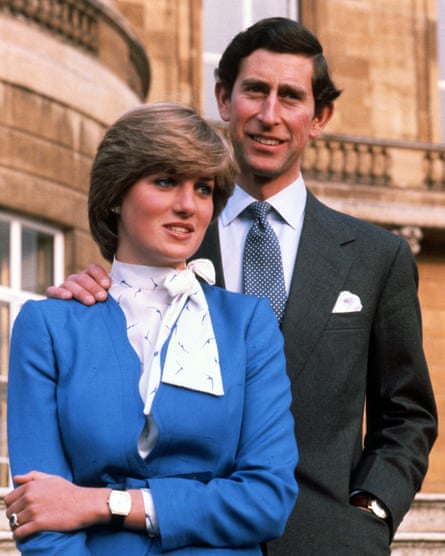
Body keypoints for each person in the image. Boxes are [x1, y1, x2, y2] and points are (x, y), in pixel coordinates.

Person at [46, 18, 438, 556]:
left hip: (326, 542)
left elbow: (408, 415)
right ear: (224, 100)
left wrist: (371, 512)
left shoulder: (378, 257)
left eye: (291, 97)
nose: (269, 115)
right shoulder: (161, 239)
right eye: (255, 90)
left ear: (319, 117)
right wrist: (95, 289)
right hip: (184, 542)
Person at [5, 102, 298, 555]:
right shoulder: (48, 326)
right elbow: (40, 511)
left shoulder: (247, 326)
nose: (187, 205)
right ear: (116, 195)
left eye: (203, 189)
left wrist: (107, 503)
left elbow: (266, 499)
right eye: (165, 181)